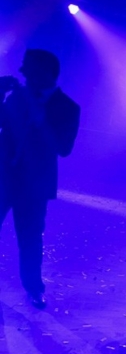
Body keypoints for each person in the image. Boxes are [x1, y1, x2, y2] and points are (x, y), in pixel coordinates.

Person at [0, 49, 80, 309]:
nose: (22, 72)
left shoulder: (68, 108)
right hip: (4, 177)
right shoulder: (16, 97)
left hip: (34, 185)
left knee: (30, 238)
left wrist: (41, 119)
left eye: (28, 67)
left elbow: (64, 149)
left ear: (45, 72)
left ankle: (34, 288)